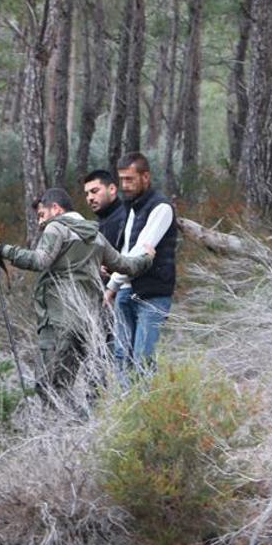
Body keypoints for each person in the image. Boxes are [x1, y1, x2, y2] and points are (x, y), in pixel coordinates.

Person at [0, 187, 154, 404]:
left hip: (59, 323)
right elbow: (125, 265)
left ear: (55, 208)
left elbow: (39, 261)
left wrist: (1, 249)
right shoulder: (97, 237)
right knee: (75, 385)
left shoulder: (56, 228)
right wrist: (147, 257)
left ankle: (57, 433)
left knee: (48, 388)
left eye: (41, 215)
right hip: (89, 324)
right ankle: (83, 428)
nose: (39, 222)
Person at [104, 152, 177, 381]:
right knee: (121, 355)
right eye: (122, 179)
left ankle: (144, 410)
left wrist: (112, 283)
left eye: (130, 179)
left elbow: (139, 253)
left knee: (142, 358)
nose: (124, 185)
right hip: (126, 291)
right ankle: (124, 408)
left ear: (145, 177)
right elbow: (125, 249)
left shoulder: (161, 208)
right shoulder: (131, 207)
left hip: (151, 294)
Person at [83, 169, 126, 250]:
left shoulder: (127, 218)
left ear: (112, 189)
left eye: (94, 191)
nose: (90, 198)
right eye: (87, 194)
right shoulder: (95, 225)